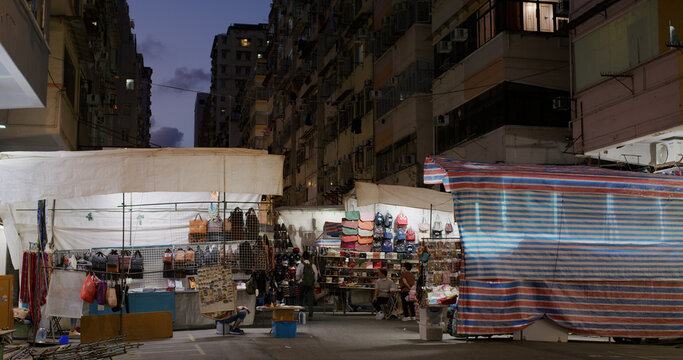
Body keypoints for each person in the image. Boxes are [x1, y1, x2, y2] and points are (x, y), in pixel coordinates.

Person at [295, 251, 319, 319]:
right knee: (310, 299)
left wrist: (298, 279)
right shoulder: (313, 265)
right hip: (310, 284)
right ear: (309, 257)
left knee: (301, 299)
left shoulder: (301, 265)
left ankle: (301, 314)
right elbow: (315, 276)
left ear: (302, 257)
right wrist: (313, 283)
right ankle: (310, 315)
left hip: (302, 283)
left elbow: (297, 275)